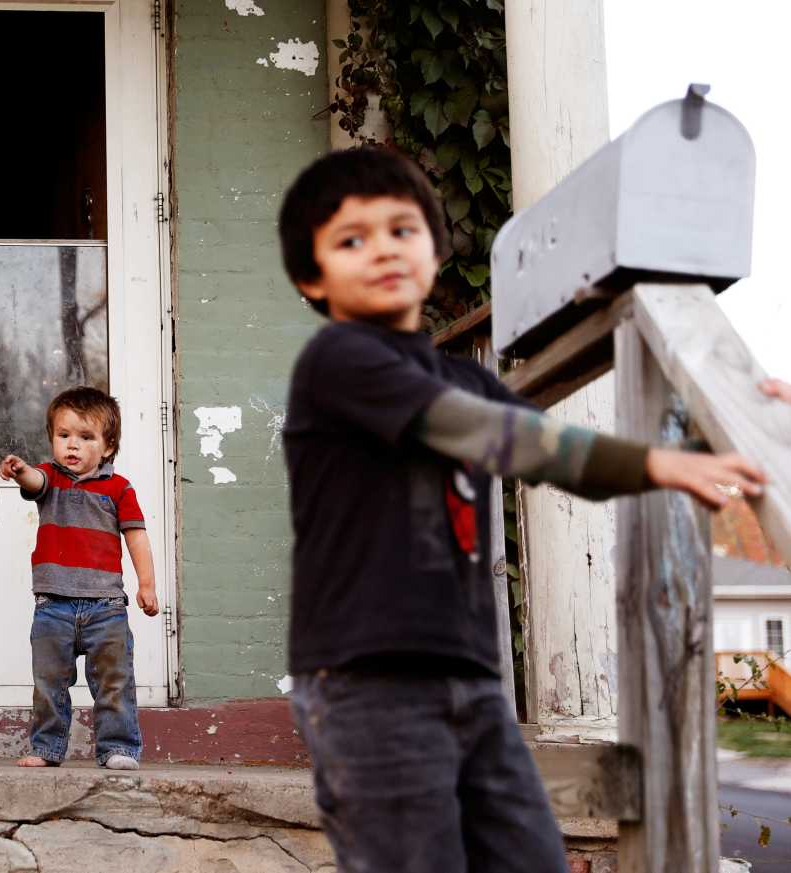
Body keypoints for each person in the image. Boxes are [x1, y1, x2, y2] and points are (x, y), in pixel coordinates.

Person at [277, 147, 765, 871]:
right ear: (311, 277)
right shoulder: (339, 362)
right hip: (367, 678)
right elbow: (501, 437)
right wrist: (654, 461)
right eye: (352, 239)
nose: (382, 249)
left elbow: (565, 456)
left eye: (402, 230)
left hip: (471, 678)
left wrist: (746, 407)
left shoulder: (457, 375)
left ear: (436, 250)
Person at [0, 387, 159, 770]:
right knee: (49, 683)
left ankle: (119, 748)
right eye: (63, 435)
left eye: (85, 438)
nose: (72, 445)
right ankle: (47, 748)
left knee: (114, 682)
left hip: (106, 606)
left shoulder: (119, 489)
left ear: (107, 446)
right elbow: (34, 482)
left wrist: (147, 584)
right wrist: (21, 471)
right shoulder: (50, 479)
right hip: (53, 604)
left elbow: (136, 537)